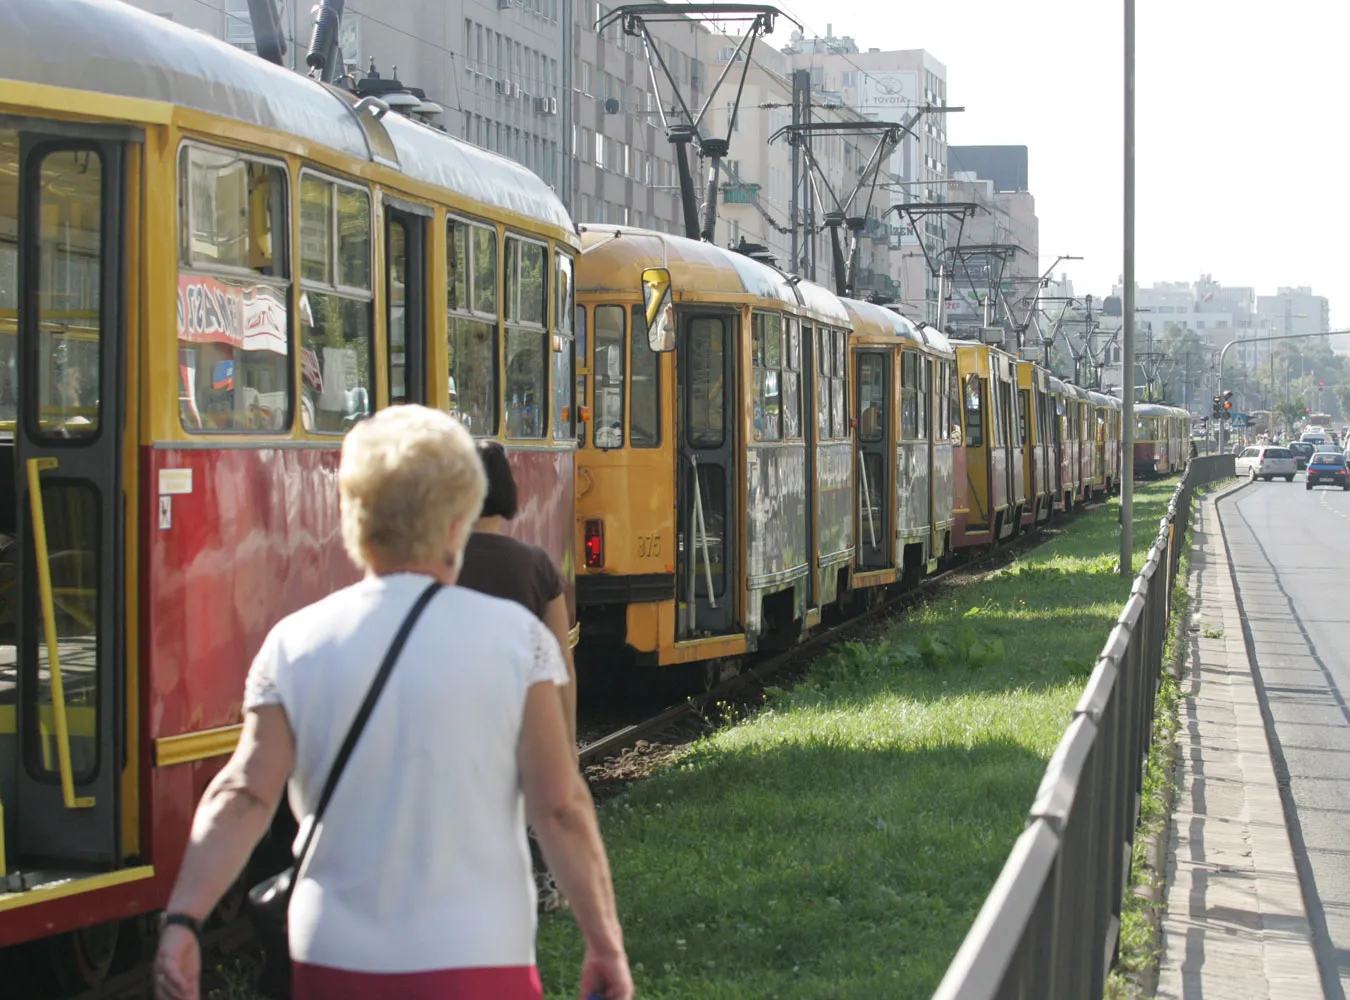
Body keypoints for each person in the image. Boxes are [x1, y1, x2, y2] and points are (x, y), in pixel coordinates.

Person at [153, 405, 631, 1000]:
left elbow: (244, 795)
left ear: (354, 515)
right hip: (477, 956)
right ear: (459, 519)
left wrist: (182, 920)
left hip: (332, 959)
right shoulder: (516, 641)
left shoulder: (295, 643)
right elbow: (558, 808)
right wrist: (605, 942)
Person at [458, 440, 576, 744]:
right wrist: (568, 744)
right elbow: (561, 662)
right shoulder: (536, 565)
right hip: (522, 732)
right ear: (507, 489)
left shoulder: (433, 565)